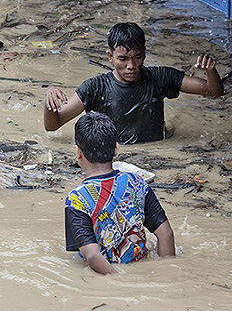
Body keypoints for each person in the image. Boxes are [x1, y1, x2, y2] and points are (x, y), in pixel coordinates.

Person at [44, 22, 224, 144]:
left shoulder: (160, 77)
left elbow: (213, 91)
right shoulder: (95, 87)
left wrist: (210, 71)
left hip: (157, 150)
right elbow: (53, 125)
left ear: (144, 54)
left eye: (137, 58)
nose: (131, 66)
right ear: (110, 58)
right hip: (117, 156)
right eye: (122, 59)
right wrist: (49, 102)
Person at [65, 113, 175, 274]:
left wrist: (121, 281)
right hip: (141, 268)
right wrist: (168, 272)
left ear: (78, 152)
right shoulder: (138, 184)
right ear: (116, 149)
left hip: (108, 280)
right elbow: (166, 234)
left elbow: (93, 257)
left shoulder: (77, 200)